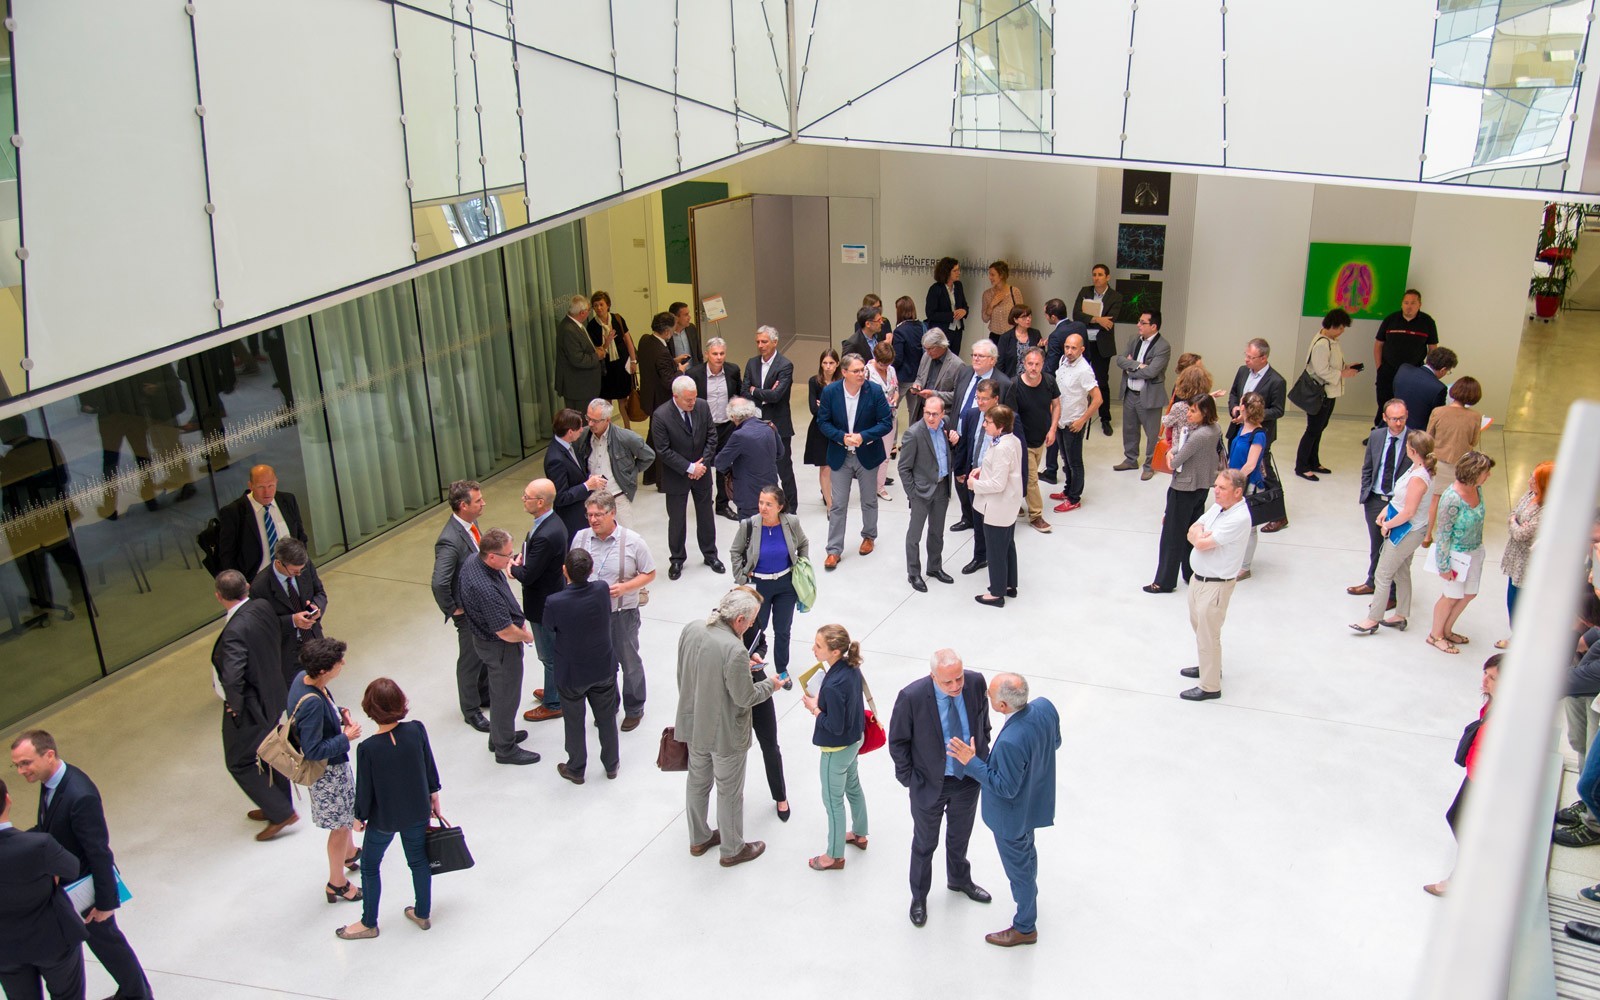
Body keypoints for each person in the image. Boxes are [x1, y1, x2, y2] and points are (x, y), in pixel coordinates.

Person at [9, 732, 152, 999]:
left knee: (109, 943)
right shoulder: (50, 781)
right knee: (107, 943)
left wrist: (106, 903)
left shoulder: (79, 794)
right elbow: (49, 828)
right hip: (75, 884)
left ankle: (139, 995)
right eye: (16, 765)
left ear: (48, 755)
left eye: (25, 763)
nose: (20, 771)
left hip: (88, 888)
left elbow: (98, 852)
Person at [945, 673, 1060, 948]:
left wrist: (971, 762)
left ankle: (1025, 927)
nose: (987, 696)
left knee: (1018, 869)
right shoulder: (1045, 707)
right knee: (1028, 852)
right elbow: (1053, 743)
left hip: (1011, 816)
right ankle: (1030, 894)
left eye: (991, 696)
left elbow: (1004, 787)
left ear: (1004, 706)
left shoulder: (1010, 742)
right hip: (1034, 802)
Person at [676, 587, 786, 867]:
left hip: (693, 724)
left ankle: (699, 838)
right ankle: (733, 848)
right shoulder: (735, 649)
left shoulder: (692, 629)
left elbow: (684, 674)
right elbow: (746, 697)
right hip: (724, 735)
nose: (751, 626)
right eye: (751, 621)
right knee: (729, 792)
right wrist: (770, 684)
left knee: (697, 784)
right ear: (739, 620)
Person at [889, 648, 993, 928]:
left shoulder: (976, 683)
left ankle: (959, 879)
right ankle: (919, 897)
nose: (956, 686)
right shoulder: (911, 697)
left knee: (960, 837)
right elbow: (898, 742)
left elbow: (983, 723)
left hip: (966, 781)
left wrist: (980, 753)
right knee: (924, 843)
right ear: (933, 676)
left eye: (958, 678)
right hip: (929, 784)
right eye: (948, 682)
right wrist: (909, 779)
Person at [336, 678, 441, 940]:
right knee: (418, 861)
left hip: (385, 818)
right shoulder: (417, 730)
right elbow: (428, 765)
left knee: (371, 866)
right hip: (417, 811)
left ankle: (368, 922)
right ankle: (422, 912)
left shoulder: (368, 748)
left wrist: (359, 817)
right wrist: (434, 794)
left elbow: (366, 789)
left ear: (370, 709)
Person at [730, 485, 807, 819]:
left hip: (786, 584)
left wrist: (801, 564)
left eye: (768, 503)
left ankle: (784, 668)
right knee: (757, 632)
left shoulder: (791, 523)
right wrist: (741, 579)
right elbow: (735, 553)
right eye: (760, 502)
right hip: (758, 585)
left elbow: (803, 546)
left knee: (785, 630)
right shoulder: (749, 526)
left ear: (780, 506)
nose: (762, 507)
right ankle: (755, 660)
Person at [212, 568, 297, 841]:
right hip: (274, 692)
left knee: (240, 760)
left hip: (252, 705)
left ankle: (280, 811)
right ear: (246, 587)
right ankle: (278, 802)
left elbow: (233, 675)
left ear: (219, 596)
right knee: (269, 748)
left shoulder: (235, 630)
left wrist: (234, 706)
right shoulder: (261, 606)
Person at [287, 638, 364, 905]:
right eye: (337, 662)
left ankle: (350, 852)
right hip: (328, 775)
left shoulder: (303, 680)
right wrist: (346, 736)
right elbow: (313, 750)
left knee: (345, 819)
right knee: (341, 826)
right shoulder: (311, 702)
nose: (342, 664)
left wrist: (338, 713)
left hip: (333, 771)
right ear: (322, 670)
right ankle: (337, 883)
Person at [572, 493, 656, 731]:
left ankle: (634, 708)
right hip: (590, 616)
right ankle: (608, 706)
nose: (593, 520)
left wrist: (626, 587)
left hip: (622, 613)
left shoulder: (633, 541)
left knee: (629, 662)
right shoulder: (581, 538)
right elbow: (569, 569)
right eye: (589, 515)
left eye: (598, 514)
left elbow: (649, 573)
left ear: (612, 513)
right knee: (601, 665)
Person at [0, 775, 88, 1000]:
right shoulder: (39, 844)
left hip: (5, 950)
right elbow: (72, 868)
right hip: (54, 939)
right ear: (8, 800)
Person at [459, 528, 539, 765]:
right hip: (500, 647)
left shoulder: (475, 560)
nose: (511, 559)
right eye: (507, 555)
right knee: (506, 695)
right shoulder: (485, 588)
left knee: (500, 692)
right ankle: (505, 749)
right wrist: (526, 637)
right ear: (492, 556)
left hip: (487, 642)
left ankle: (499, 735)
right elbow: (504, 631)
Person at [543, 549, 621, 784]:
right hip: (602, 667)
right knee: (606, 718)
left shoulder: (555, 602)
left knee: (574, 722)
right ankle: (611, 764)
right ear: (591, 570)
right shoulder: (601, 589)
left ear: (564, 570)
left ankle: (576, 768)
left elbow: (549, 627)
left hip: (572, 673)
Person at [1424, 654, 1499, 896]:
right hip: (1477, 773)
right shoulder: (1494, 704)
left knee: (1464, 822)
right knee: (1460, 819)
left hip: (1487, 779)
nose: (1485, 681)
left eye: (1493, 678)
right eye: (1485, 674)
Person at [1177, 470, 1253, 701]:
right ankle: (1208, 666)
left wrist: (1199, 535)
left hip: (1215, 586)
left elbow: (1199, 541)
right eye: (1216, 486)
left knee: (1209, 634)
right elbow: (1193, 528)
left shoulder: (1238, 517)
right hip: (1200, 580)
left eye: (1222, 488)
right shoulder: (1220, 507)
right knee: (1200, 629)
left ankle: (1210, 686)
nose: (1216, 491)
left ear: (1237, 492)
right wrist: (1198, 533)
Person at [1350, 430, 1435, 634]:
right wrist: (1385, 510)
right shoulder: (1417, 468)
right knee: (1402, 570)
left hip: (1407, 531)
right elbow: (1400, 499)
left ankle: (1373, 619)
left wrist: (1388, 525)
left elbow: (1409, 511)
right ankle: (1401, 614)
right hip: (1407, 527)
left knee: (1383, 573)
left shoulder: (1418, 478)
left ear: (1413, 450)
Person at [801, 624, 869, 871]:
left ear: (836, 651)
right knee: (853, 787)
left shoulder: (831, 684)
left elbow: (834, 726)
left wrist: (815, 709)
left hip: (837, 751)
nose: (813, 649)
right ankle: (860, 834)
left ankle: (834, 855)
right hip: (855, 741)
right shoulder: (851, 668)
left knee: (833, 801)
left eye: (819, 646)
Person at [817, 353, 894, 571]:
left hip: (867, 454)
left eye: (863, 370)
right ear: (844, 373)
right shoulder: (831, 392)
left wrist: (863, 436)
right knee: (838, 503)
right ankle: (833, 550)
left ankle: (869, 536)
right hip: (840, 455)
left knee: (868, 500)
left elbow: (885, 422)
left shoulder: (874, 391)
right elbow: (823, 422)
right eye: (856, 371)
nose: (862, 374)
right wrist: (841, 437)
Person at [430, 479, 494, 731]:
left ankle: (483, 693)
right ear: (462, 505)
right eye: (478, 501)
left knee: (483, 652)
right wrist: (453, 608)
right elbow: (439, 582)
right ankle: (470, 709)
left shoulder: (470, 524)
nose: (483, 504)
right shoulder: (449, 540)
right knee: (470, 657)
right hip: (466, 610)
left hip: (479, 603)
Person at [1146, 396, 1224, 594]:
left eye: (1192, 411)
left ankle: (1164, 581)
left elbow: (1176, 460)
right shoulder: (1215, 429)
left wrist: (1169, 455)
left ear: (1204, 413)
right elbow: (1184, 447)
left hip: (1184, 488)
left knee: (1172, 535)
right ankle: (1190, 572)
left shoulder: (1199, 435)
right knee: (1192, 532)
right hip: (1202, 487)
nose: (1188, 414)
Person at [651, 376, 724, 579]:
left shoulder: (702, 406)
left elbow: (712, 436)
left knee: (706, 515)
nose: (692, 402)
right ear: (675, 397)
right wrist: (689, 467)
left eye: (694, 398)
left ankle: (710, 554)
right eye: (688, 400)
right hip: (676, 475)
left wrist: (703, 463)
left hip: (702, 471)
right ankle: (677, 559)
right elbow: (663, 450)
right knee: (677, 519)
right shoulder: (661, 415)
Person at [510, 479, 567, 724]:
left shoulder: (546, 534)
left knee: (548, 655)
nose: (523, 499)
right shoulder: (550, 523)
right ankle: (553, 688)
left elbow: (529, 574)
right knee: (552, 653)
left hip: (543, 603)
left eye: (527, 496)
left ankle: (554, 702)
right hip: (550, 597)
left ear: (541, 502)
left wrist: (513, 567)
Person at [1427, 451, 1495, 655]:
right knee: (1450, 595)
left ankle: (1447, 630)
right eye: (1486, 472)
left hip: (1475, 550)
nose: (1488, 476)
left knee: (1469, 593)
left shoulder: (1478, 489)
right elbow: (1443, 533)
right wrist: (1444, 566)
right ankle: (1435, 634)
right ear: (1474, 472)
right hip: (1456, 555)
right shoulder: (1451, 498)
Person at [1347, 400, 1413, 604]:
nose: (1399, 423)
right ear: (1385, 418)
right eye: (1394, 419)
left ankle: (1392, 594)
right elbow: (1368, 467)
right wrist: (1366, 493)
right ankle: (1372, 581)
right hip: (1375, 498)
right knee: (1376, 544)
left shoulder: (1414, 439)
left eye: (1402, 418)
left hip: (1399, 502)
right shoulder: (1376, 436)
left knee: (1393, 548)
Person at [1226, 337, 1288, 532]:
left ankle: (1279, 514)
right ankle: (1237, 503)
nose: (1247, 360)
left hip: (1260, 433)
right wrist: (1236, 410)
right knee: (1236, 465)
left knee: (1264, 472)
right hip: (1238, 430)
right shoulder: (1243, 371)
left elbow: (1278, 410)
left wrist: (1252, 416)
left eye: (1251, 357)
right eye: (1246, 355)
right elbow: (1234, 393)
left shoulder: (1277, 381)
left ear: (1263, 358)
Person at [249, 537, 328, 687]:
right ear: (279, 563)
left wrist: (317, 607)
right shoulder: (260, 587)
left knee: (320, 683)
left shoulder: (305, 566)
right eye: (294, 571)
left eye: (301, 570)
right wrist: (292, 620)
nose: (299, 574)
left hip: (313, 639)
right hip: (287, 650)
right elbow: (261, 625)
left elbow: (320, 592)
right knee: (297, 690)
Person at [899, 395, 958, 592]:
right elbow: (904, 468)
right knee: (914, 535)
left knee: (937, 532)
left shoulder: (946, 425)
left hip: (942, 487)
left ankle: (934, 567)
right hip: (921, 493)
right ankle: (914, 573)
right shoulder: (913, 434)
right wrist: (912, 494)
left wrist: (954, 440)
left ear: (943, 414)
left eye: (935, 414)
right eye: (927, 413)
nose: (930, 418)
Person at [1294, 309, 1360, 481]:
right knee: (1313, 430)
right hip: (1320, 394)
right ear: (1331, 326)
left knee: (1319, 429)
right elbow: (1321, 370)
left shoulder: (1331, 341)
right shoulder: (1322, 344)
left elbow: (1333, 363)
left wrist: (1346, 367)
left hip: (1328, 393)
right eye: (1340, 328)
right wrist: (1342, 374)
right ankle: (1301, 466)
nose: (1342, 331)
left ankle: (1313, 462)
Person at [969, 404, 1024, 608]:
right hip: (1008, 504)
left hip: (998, 506)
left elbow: (997, 484)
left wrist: (975, 485)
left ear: (1000, 426)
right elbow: (1005, 468)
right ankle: (1010, 585)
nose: (984, 425)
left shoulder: (1001, 447)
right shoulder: (1012, 441)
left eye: (988, 422)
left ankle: (997, 592)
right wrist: (983, 468)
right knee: (1007, 545)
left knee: (995, 550)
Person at [1044, 333, 1102, 516]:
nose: (1069, 351)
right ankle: (1068, 490)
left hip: (1073, 423)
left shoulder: (1084, 370)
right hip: (1060, 419)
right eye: (1067, 347)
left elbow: (1098, 399)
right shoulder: (1063, 361)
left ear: (1082, 349)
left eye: (1073, 348)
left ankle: (1074, 498)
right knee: (1066, 460)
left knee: (1075, 462)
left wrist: (1082, 420)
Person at [573, 399, 655, 528]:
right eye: (588, 418)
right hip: (591, 499)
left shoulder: (625, 437)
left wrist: (631, 472)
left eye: (595, 420)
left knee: (624, 540)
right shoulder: (583, 436)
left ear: (607, 420)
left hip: (617, 498)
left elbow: (648, 456)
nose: (590, 423)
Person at [217, 463, 308, 578]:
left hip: (290, 575)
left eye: (271, 486)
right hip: (256, 579)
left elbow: (301, 537)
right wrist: (238, 583)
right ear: (251, 486)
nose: (267, 492)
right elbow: (227, 555)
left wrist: (301, 567)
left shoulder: (288, 500)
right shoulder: (233, 512)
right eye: (261, 487)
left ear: (276, 482)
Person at [743, 325, 798, 512]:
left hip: (779, 425)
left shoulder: (785, 365)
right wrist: (764, 393)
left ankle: (791, 507)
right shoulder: (751, 363)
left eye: (764, 341)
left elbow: (777, 396)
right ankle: (763, 505)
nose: (760, 345)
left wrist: (755, 391)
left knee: (784, 469)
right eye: (758, 341)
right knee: (760, 468)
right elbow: (744, 392)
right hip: (757, 424)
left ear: (775, 342)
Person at [1500, 461, 1554, 649]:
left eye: (1534, 478)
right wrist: (1515, 521)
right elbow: (1513, 512)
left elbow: (1522, 533)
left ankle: (1521, 639)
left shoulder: (1547, 509)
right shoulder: (1531, 494)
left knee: (1521, 602)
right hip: (1515, 557)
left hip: (1528, 563)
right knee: (1511, 598)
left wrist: (1514, 523)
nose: (1529, 480)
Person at [688, 337, 744, 518]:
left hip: (726, 425)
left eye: (722, 353)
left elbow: (738, 393)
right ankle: (704, 502)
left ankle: (722, 504)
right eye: (715, 354)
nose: (719, 357)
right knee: (702, 464)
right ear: (707, 354)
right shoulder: (694, 374)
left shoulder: (733, 370)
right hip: (703, 428)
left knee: (724, 465)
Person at [1423, 375, 1483, 542]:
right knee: (1457, 502)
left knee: (1434, 500)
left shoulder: (1438, 411)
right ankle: (1449, 537)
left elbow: (1429, 436)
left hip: (1439, 462)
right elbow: (1474, 441)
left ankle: (1427, 535)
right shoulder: (1475, 417)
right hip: (1461, 465)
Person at [1113, 311, 1171, 480]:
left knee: (1152, 433)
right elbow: (1120, 360)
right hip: (1130, 393)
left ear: (1153, 326)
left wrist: (1130, 369)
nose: (1138, 325)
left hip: (1149, 396)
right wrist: (1139, 365)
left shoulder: (1163, 346)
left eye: (1142, 322)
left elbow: (1152, 371)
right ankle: (1131, 459)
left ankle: (1150, 465)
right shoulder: (1133, 339)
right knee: (1129, 429)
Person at [1373, 289, 1438, 425]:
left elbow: (1433, 349)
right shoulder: (1391, 319)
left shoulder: (1427, 322)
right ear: (1402, 304)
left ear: (1419, 304)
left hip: (1414, 373)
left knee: (1408, 404)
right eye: (1406, 302)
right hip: (1388, 371)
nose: (1409, 306)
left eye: (1413, 303)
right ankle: (1380, 431)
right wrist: (1379, 367)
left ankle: (1405, 434)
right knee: (1384, 403)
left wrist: (1430, 372)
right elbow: (1378, 345)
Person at [1071, 264, 1122, 436]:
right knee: (1079, 379)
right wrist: (1097, 319)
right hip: (1084, 343)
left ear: (1108, 277)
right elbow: (1077, 315)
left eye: (1100, 274)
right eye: (1094, 274)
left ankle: (1105, 418)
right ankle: (1079, 415)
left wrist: (1092, 320)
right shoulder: (1085, 291)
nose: (1096, 278)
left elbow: (1110, 321)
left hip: (1102, 344)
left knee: (1101, 382)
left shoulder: (1115, 296)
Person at [1012, 347, 1059, 534]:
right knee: (1031, 479)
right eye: (1030, 363)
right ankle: (1036, 516)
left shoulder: (1049, 381)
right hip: (1022, 441)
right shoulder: (1015, 385)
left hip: (1041, 439)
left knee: (1022, 478)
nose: (1033, 367)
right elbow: (1011, 417)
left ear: (1043, 364)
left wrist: (1053, 428)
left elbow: (1056, 404)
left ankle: (1015, 504)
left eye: (1037, 364)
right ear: (1024, 364)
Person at [1225, 393, 1270, 580]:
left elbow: (1251, 464)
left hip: (1247, 485)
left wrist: (1233, 482)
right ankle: (1234, 559)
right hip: (1235, 482)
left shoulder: (1258, 435)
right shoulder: (1242, 427)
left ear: (1243, 407)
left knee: (1249, 527)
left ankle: (1245, 566)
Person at [713, 397, 781, 519]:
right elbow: (780, 453)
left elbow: (720, 462)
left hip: (748, 495)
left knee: (749, 533)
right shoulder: (769, 427)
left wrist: (731, 470)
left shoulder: (739, 435)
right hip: (771, 489)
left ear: (733, 417)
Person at [635, 313, 680, 482]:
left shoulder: (645, 340)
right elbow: (669, 381)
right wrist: (680, 370)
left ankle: (650, 475)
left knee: (653, 438)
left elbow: (655, 366)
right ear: (667, 332)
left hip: (649, 397)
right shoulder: (662, 350)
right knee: (662, 440)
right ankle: (662, 480)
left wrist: (672, 362)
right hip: (661, 400)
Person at [546, 408, 602, 538]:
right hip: (571, 519)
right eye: (580, 427)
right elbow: (561, 497)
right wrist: (587, 485)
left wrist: (589, 478)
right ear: (570, 432)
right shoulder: (555, 459)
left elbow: (576, 474)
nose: (583, 430)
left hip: (582, 511)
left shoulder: (570, 445)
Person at [587, 291, 637, 426]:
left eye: (601, 304)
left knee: (623, 399)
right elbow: (597, 351)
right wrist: (607, 342)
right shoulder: (592, 326)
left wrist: (633, 360)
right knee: (606, 401)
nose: (599, 308)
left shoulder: (617, 319)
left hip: (621, 364)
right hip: (605, 368)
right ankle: (608, 428)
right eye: (595, 305)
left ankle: (627, 428)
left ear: (608, 305)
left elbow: (628, 340)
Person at [804, 349, 842, 506]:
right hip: (819, 429)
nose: (828, 366)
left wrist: (825, 405)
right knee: (824, 466)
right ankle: (829, 503)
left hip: (838, 428)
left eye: (831, 363)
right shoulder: (814, 382)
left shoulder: (842, 382)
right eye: (825, 363)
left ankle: (828, 492)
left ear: (837, 364)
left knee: (837, 465)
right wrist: (832, 407)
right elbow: (814, 409)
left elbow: (845, 408)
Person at [553, 293, 603, 412]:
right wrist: (597, 356)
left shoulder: (573, 325)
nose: (590, 312)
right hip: (579, 388)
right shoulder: (569, 329)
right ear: (582, 313)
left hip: (582, 386)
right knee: (582, 423)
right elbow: (578, 359)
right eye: (589, 309)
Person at [1393, 345, 1458, 432]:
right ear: (1443, 370)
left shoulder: (1403, 369)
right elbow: (1436, 416)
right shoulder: (1439, 388)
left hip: (1392, 423)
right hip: (1417, 433)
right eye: (1448, 371)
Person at [867, 342, 901, 500]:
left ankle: (879, 486)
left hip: (890, 416)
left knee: (886, 455)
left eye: (888, 364)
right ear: (875, 358)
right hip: (872, 419)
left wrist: (895, 398)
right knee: (869, 454)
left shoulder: (891, 370)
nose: (885, 367)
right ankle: (867, 485)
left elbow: (896, 389)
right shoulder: (867, 371)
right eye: (882, 364)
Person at [906, 327, 961, 425]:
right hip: (921, 409)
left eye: (931, 348)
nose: (928, 352)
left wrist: (934, 394)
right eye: (926, 349)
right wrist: (917, 385)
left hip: (940, 416)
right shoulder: (926, 356)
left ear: (942, 345)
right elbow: (919, 377)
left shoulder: (957, 365)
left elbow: (957, 396)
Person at [925, 257, 969, 357]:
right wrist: (951, 315)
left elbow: (965, 306)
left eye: (958, 270)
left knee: (955, 358)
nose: (959, 273)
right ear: (947, 272)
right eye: (955, 270)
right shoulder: (935, 289)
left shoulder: (958, 286)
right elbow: (930, 314)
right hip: (943, 331)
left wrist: (964, 311)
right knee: (942, 359)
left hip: (957, 330)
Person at [980, 261, 1023, 346]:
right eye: (989, 274)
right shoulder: (987, 294)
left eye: (993, 275)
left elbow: (1022, 316)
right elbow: (985, 318)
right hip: (995, 337)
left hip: (1012, 336)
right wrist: (992, 305)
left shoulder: (1014, 292)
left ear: (1001, 275)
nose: (990, 277)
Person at [890, 296, 925, 396]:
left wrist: (889, 369)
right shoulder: (922, 326)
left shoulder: (899, 331)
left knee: (892, 405)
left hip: (903, 377)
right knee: (914, 410)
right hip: (918, 376)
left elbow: (898, 358)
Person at [667, 301, 704, 368]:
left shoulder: (691, 329)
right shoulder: (667, 334)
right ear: (676, 318)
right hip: (676, 374)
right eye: (686, 315)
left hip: (693, 372)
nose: (689, 317)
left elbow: (698, 353)